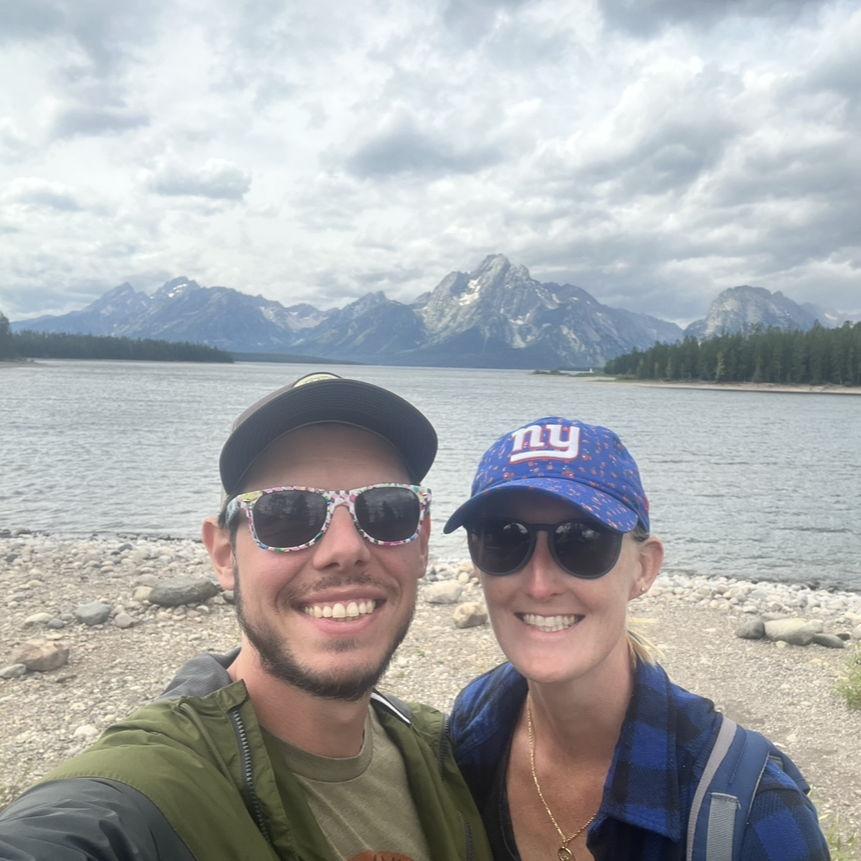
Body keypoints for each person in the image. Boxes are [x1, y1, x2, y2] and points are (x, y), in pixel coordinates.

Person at [0, 372, 492, 861]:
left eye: (387, 511)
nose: (345, 550)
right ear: (223, 555)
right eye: (287, 514)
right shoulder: (153, 787)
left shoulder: (442, 750)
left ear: (423, 543)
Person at [444, 416, 829, 860]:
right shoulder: (474, 725)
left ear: (643, 568)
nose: (539, 584)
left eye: (583, 541)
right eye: (503, 538)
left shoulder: (754, 816)